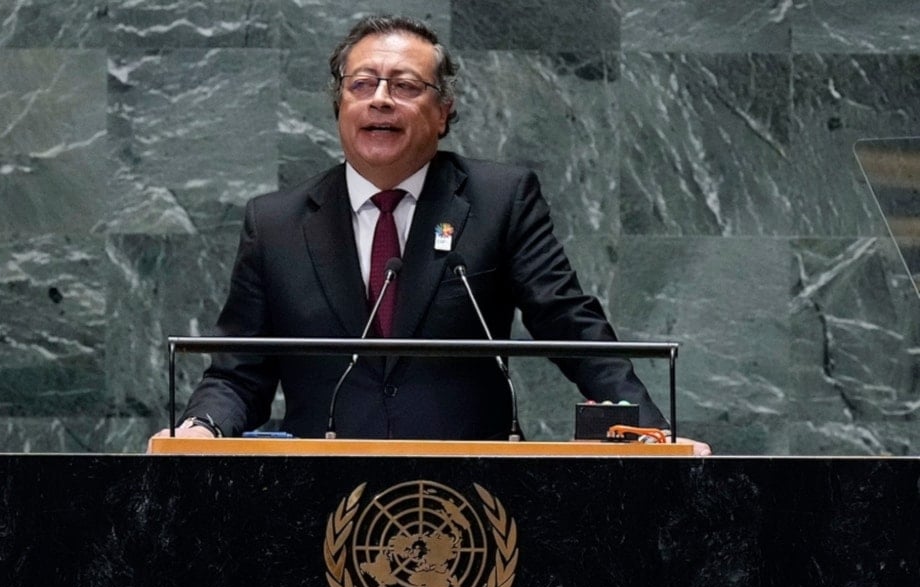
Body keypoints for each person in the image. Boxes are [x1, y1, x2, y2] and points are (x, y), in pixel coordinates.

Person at [153, 15, 710, 455]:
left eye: (405, 86)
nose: (380, 99)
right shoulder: (275, 223)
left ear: (444, 111)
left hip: (473, 498)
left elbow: (571, 326)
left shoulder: (498, 201)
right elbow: (237, 374)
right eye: (362, 83)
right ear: (339, 105)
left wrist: (651, 433)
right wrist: (200, 429)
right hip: (317, 497)